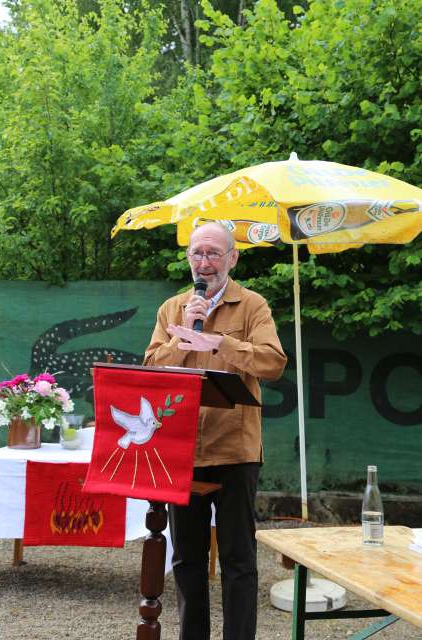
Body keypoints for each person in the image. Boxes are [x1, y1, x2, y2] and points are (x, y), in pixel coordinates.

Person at [143, 222, 287, 640]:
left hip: (236, 451)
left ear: (232, 258)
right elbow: (151, 366)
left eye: (212, 254)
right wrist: (183, 340)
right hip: (182, 449)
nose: (203, 263)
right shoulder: (173, 308)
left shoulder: (252, 305)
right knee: (187, 559)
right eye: (196, 254)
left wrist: (218, 342)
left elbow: (273, 363)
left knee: (238, 560)